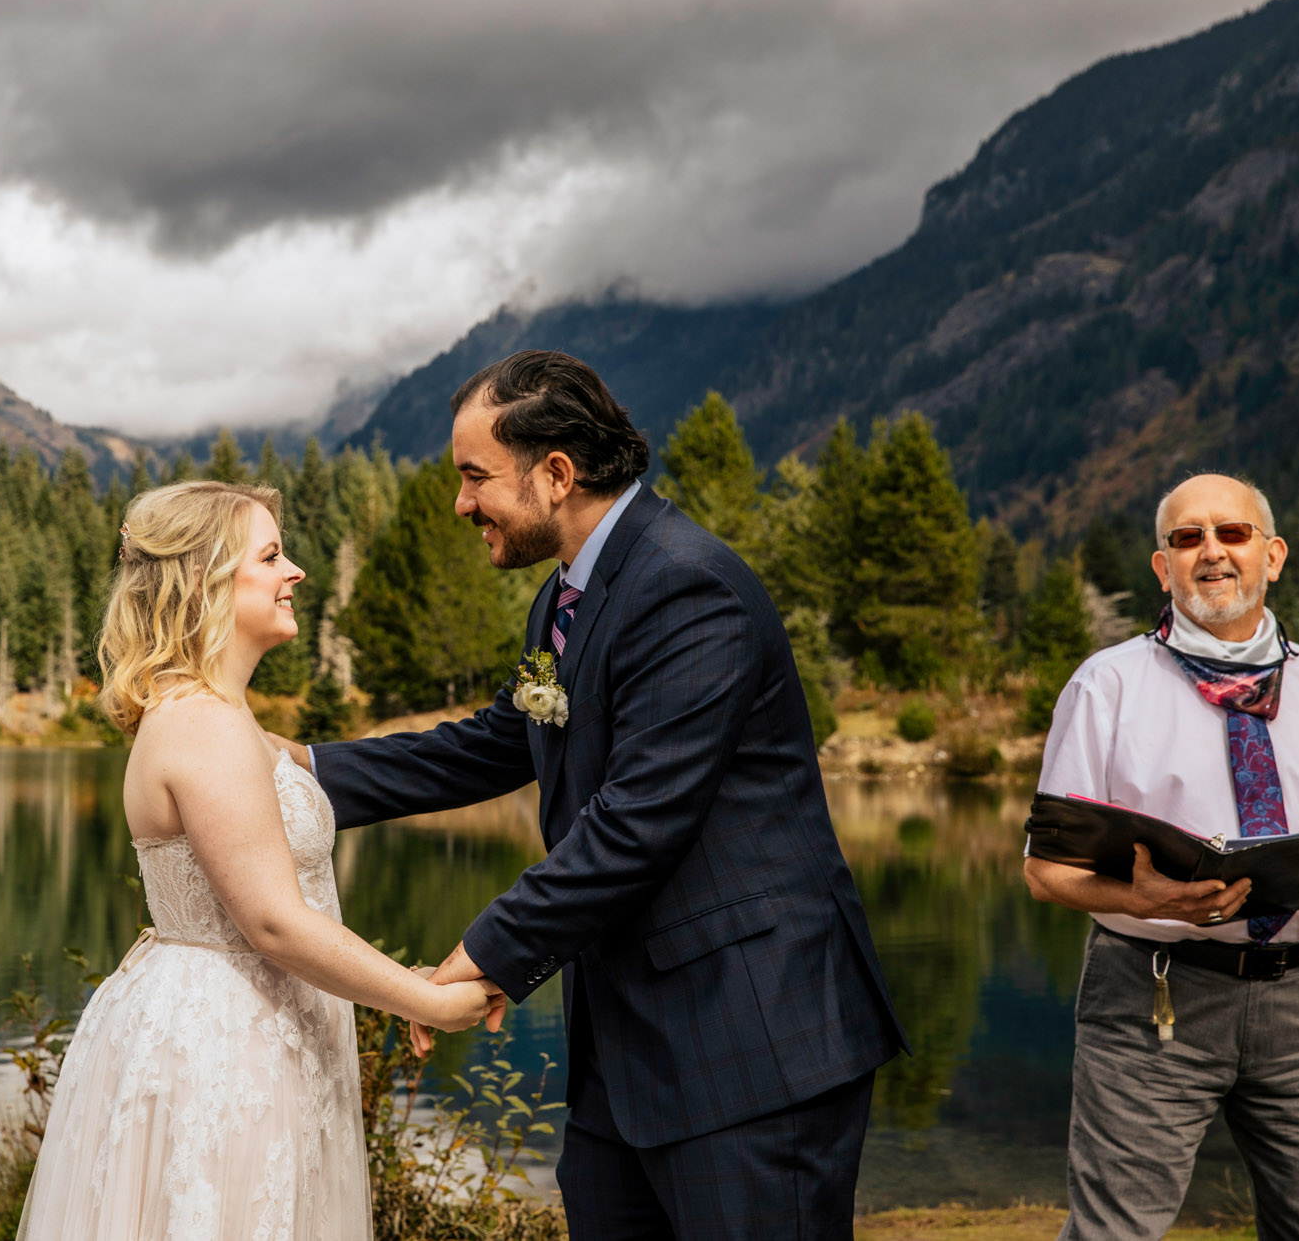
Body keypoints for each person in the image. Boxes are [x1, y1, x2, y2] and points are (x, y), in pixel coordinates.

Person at [272, 350, 907, 1239]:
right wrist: (299, 765)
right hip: (629, 1060)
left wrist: (486, 954)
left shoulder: (688, 587)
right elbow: (501, 742)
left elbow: (638, 824)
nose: (460, 504)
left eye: (473, 477)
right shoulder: (564, 598)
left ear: (557, 473)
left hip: (754, 1044)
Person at [15, 480, 497, 1241]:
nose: (295, 570)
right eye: (271, 555)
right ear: (208, 581)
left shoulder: (222, 715)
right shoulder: (201, 721)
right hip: (225, 1049)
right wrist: (423, 998)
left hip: (256, 1031)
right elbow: (273, 919)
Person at [1024, 472, 1299, 1241]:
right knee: (1111, 1234)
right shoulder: (1106, 687)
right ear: (1163, 567)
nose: (1211, 552)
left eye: (1232, 533)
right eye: (1186, 538)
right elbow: (1044, 870)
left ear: (1274, 555)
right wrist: (1147, 899)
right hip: (1153, 998)